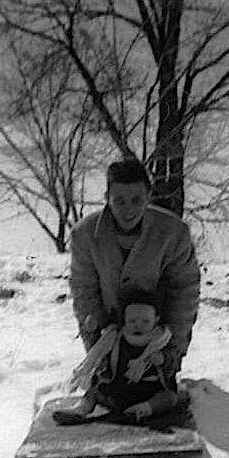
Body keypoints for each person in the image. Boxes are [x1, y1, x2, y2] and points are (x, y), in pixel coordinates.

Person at [68, 158, 200, 399]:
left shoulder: (174, 234)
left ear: (149, 195)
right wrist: (98, 350)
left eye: (136, 200)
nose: (128, 209)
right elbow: (84, 291)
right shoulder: (84, 235)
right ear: (107, 197)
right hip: (109, 338)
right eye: (119, 200)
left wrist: (172, 353)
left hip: (155, 339)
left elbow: (185, 294)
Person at [53, 288, 178, 423]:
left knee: (168, 398)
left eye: (145, 321)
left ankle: (141, 410)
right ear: (124, 319)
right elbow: (101, 358)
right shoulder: (114, 338)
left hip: (149, 391)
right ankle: (81, 409)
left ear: (156, 319)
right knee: (94, 392)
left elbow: (173, 361)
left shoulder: (161, 340)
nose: (138, 326)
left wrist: (163, 359)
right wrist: (102, 365)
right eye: (132, 321)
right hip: (118, 390)